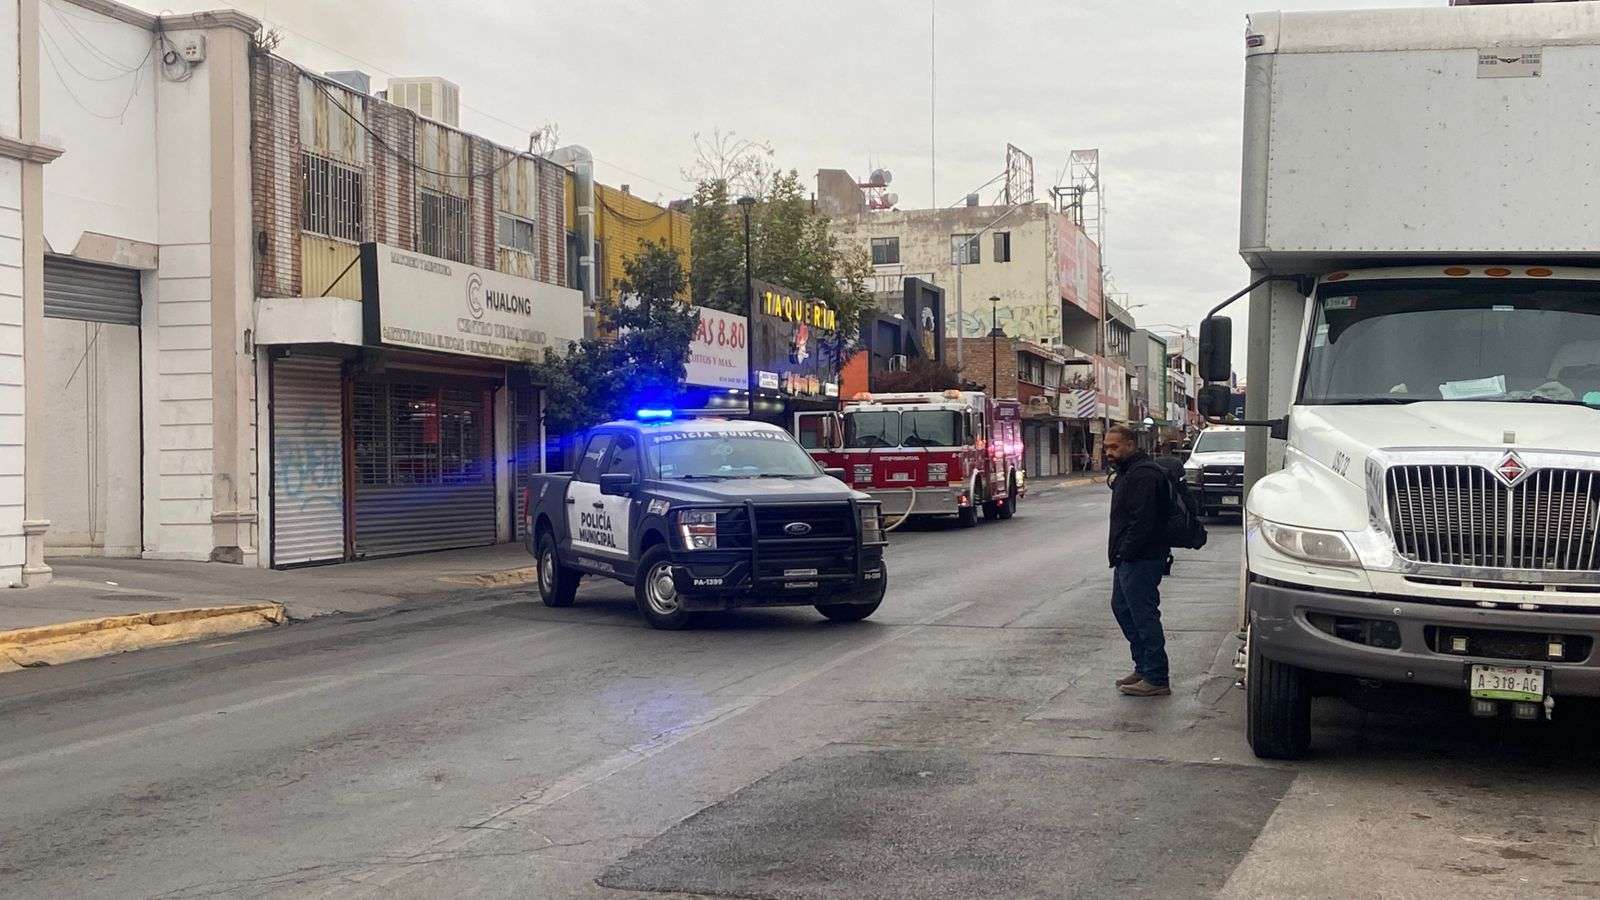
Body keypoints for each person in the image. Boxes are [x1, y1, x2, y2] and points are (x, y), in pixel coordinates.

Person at [1104, 424, 1171, 697]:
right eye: (1106, 447)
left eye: (1115, 447)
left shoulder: (1144, 474)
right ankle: (1143, 667)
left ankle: (1156, 676)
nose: (1109, 452)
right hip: (1128, 557)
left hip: (1142, 556)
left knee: (1143, 614)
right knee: (1123, 608)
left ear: (1130, 445)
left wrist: (1126, 551)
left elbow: (1144, 520)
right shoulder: (1127, 472)